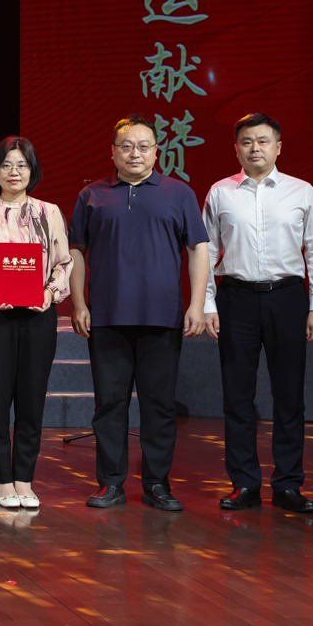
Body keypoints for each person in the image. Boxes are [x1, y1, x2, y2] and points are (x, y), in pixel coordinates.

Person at [69, 114, 210, 511]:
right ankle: (110, 483)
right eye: (127, 146)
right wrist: (78, 303)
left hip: (161, 316)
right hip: (107, 316)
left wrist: (197, 304)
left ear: (156, 151)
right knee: (109, 404)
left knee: (159, 405)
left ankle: (157, 484)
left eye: (143, 146)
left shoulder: (178, 193)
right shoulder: (92, 195)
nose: (135, 153)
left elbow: (198, 248)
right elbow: (75, 250)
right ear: (113, 151)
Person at [202, 113, 313, 514]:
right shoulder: (220, 192)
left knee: (289, 395)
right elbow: (205, 252)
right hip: (236, 298)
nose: (255, 148)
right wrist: (207, 303)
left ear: (278, 147)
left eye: (262, 141)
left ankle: (288, 485)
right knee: (237, 396)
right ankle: (244, 483)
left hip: (288, 298)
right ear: (236, 149)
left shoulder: (302, 191)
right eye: (247, 142)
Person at [0, 136, 73, 510]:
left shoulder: (49, 212)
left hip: (39, 315)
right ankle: (3, 481)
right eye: (6, 165)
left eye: (21, 165)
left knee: (31, 398)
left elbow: (63, 262)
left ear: (32, 170)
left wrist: (50, 293)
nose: (14, 172)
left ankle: (24, 478)